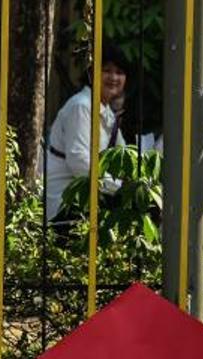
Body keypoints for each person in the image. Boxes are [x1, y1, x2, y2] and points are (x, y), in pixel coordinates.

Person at [44, 41, 130, 223]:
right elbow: (79, 161)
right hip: (65, 206)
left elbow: (123, 158)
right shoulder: (82, 107)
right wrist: (120, 187)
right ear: (91, 74)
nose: (113, 77)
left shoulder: (106, 112)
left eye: (119, 72)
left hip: (88, 200)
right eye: (107, 70)